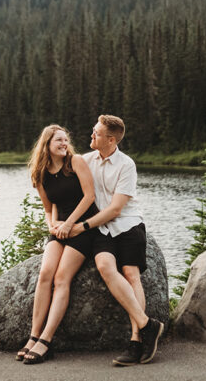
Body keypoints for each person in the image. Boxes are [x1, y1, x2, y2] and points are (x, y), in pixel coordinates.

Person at [71, 114, 164, 366]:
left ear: (110, 140)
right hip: (102, 231)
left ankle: (136, 341)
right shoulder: (85, 160)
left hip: (128, 224)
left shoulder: (126, 165)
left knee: (131, 273)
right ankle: (148, 326)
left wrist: (81, 227)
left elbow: (115, 210)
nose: (91, 136)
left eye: (97, 133)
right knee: (104, 266)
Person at [16, 124, 98, 365]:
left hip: (83, 227)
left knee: (62, 277)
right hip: (60, 229)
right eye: (58, 141)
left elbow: (89, 196)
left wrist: (69, 224)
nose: (64, 144)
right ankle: (33, 336)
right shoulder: (39, 173)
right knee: (45, 275)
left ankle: (46, 340)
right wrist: (52, 225)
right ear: (47, 145)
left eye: (65, 140)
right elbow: (48, 207)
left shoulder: (76, 162)